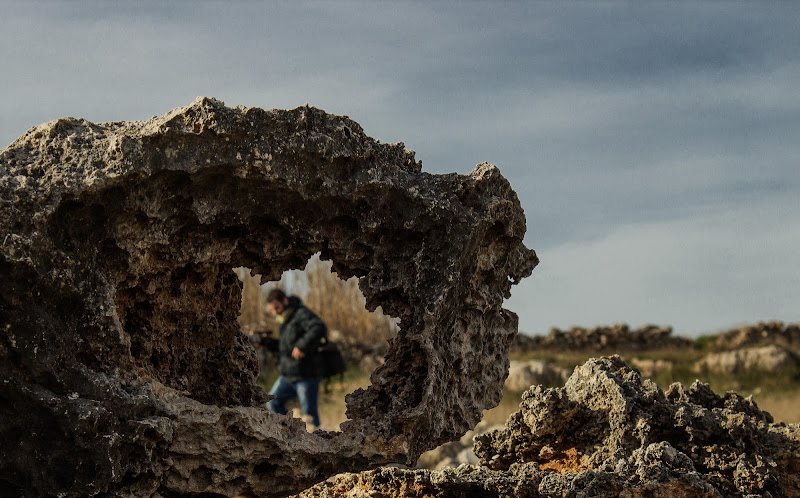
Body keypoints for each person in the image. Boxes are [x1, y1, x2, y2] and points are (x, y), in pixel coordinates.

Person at [262, 288, 327, 430]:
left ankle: (316, 446)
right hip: (287, 375)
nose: (275, 312)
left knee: (310, 417)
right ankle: (293, 431)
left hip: (306, 375)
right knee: (272, 403)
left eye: (276, 308)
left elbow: (318, 327)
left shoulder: (300, 313)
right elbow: (285, 347)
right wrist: (266, 342)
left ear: (285, 301)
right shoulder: (284, 319)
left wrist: (302, 346)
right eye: (272, 310)